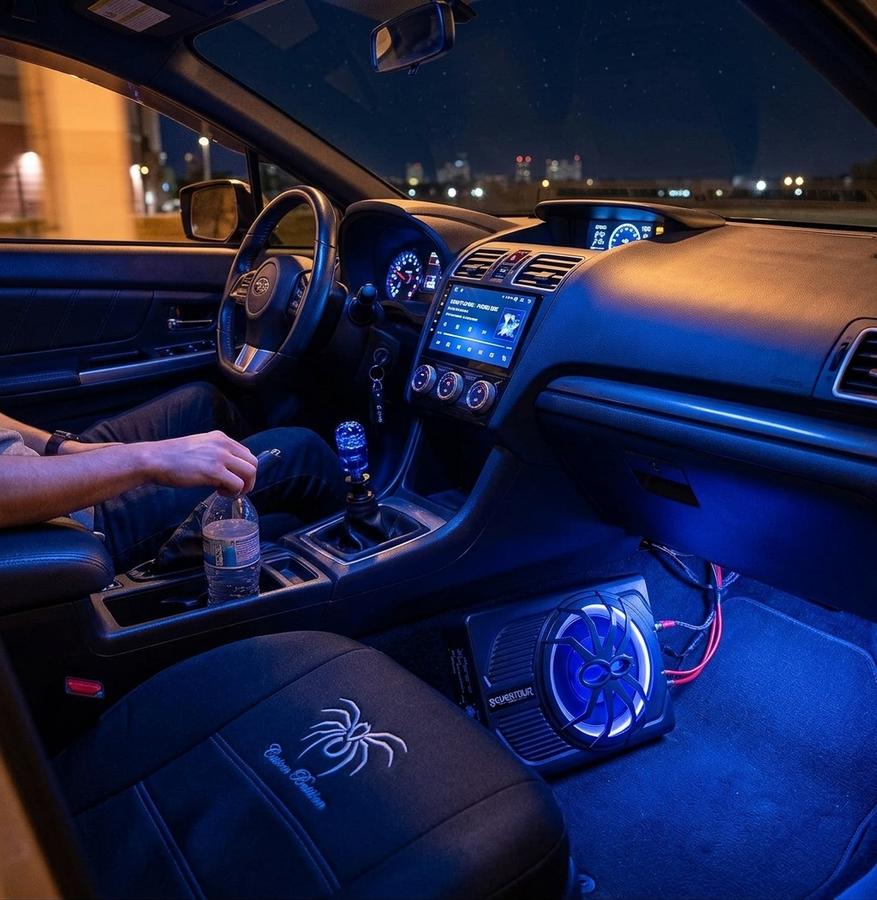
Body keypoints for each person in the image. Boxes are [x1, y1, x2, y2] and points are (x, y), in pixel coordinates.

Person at [0, 382, 345, 571]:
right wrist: (148, 459)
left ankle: (266, 522)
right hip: (51, 520)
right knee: (301, 452)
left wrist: (61, 447)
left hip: (28, 467)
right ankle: (364, 560)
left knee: (202, 403)